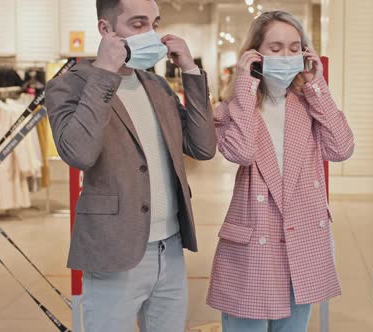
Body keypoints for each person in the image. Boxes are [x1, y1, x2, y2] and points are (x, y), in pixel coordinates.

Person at [45, 0, 216, 331]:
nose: (150, 34)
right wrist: (105, 72)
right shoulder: (69, 85)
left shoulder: (157, 86)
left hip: (170, 247)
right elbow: (78, 153)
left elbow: (203, 147)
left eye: (154, 24)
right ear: (106, 30)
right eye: (137, 25)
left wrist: (192, 72)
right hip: (114, 250)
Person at [207, 10, 355, 332]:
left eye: (293, 47)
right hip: (254, 239)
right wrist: (245, 88)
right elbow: (241, 152)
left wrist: (318, 87)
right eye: (275, 48)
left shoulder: (309, 104)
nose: (286, 56)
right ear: (255, 54)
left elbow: (341, 149)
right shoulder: (232, 108)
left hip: (302, 239)